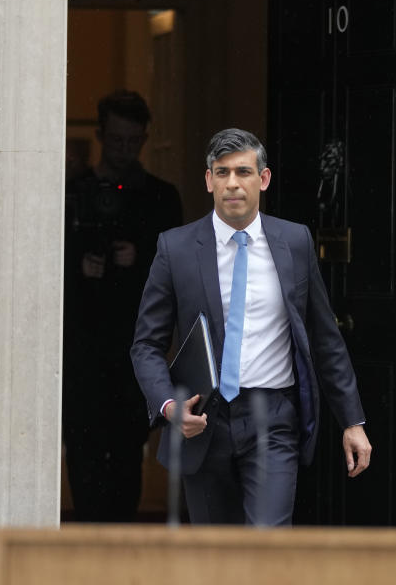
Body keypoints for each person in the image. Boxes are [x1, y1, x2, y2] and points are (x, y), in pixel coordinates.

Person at [130, 128, 371, 525]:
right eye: (221, 173)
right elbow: (146, 344)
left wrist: (352, 421)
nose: (232, 183)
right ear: (208, 181)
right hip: (203, 420)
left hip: (272, 417)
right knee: (215, 555)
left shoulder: (294, 242)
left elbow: (325, 338)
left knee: (267, 547)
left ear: (263, 179)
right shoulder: (175, 248)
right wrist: (171, 407)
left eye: (243, 172)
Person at [63, 90, 182, 521]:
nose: (124, 150)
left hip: (135, 353)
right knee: (84, 457)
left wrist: (140, 260)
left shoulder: (160, 199)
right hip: (82, 354)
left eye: (133, 142)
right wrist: (80, 266)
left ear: (144, 140)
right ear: (100, 136)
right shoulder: (73, 195)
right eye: (116, 141)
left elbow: (177, 276)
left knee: (128, 463)